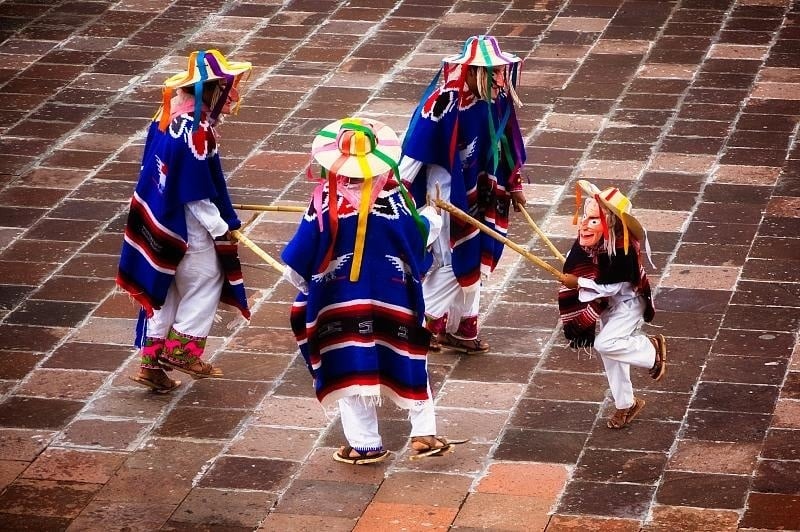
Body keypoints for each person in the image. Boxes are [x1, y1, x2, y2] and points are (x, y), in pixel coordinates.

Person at [282, 117, 463, 464]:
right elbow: (415, 237)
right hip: (392, 299)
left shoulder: (324, 205)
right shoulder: (395, 200)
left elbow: (297, 263)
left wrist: (308, 288)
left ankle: (364, 443)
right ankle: (424, 433)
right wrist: (433, 217)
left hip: (338, 303)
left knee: (347, 361)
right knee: (411, 356)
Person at [117, 49, 252, 393]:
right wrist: (223, 227)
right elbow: (194, 193)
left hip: (158, 215)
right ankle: (182, 350)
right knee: (206, 277)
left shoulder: (165, 115)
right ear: (210, 89)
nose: (228, 93)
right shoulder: (197, 131)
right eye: (223, 87)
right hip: (185, 223)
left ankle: (151, 365)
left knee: (164, 291)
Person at [399, 35, 527, 355]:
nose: (501, 79)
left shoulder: (497, 98)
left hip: (481, 189)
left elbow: (506, 144)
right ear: (472, 71)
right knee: (450, 263)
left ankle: (462, 327)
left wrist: (514, 184)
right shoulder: (442, 104)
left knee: (477, 258)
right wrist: (392, 195)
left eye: (501, 71)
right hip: (444, 195)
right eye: (494, 72)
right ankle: (422, 326)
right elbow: (412, 157)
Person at [559, 180, 667, 429]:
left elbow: (613, 286)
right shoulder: (589, 239)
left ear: (610, 224)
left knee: (605, 344)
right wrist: (574, 275)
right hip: (607, 305)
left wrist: (579, 282)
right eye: (586, 217)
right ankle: (626, 405)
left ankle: (650, 349)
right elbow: (579, 262)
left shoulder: (624, 250)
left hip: (629, 303)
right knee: (612, 356)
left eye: (593, 220)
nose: (585, 224)